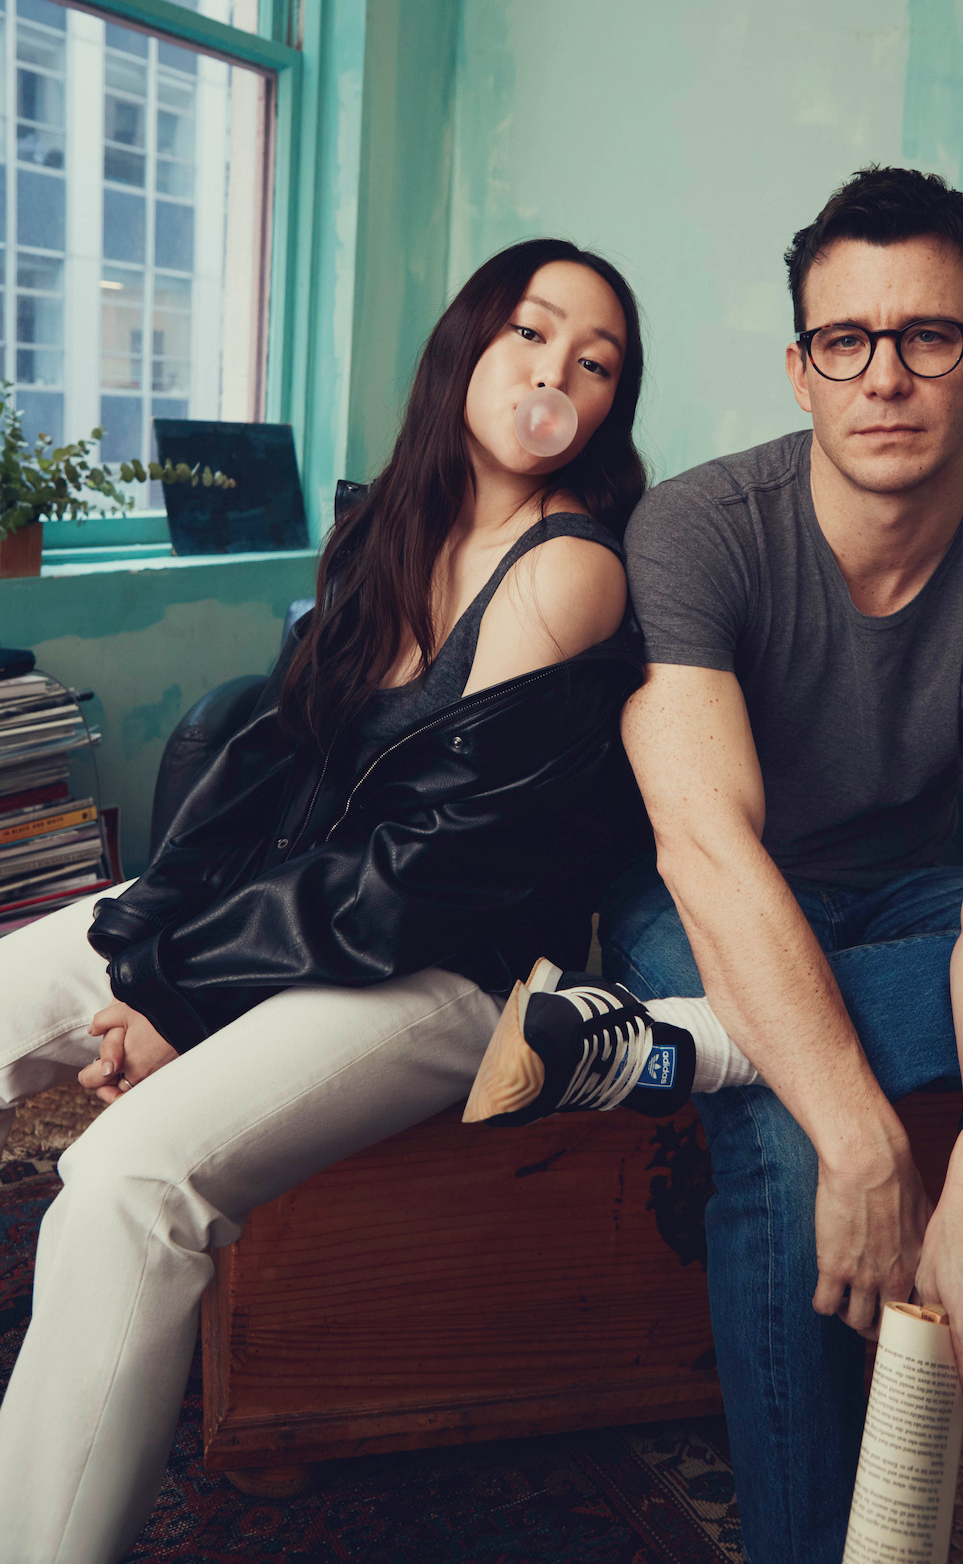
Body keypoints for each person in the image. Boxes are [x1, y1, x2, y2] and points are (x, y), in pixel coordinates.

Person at [464, 170, 963, 1564]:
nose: (886, 377)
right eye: (846, 341)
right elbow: (703, 841)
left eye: (928, 336)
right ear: (800, 370)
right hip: (705, 891)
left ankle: (675, 1046)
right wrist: (865, 1134)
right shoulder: (694, 528)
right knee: (797, 1139)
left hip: (918, 890)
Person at [0, 237, 652, 1564]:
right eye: (534, 333)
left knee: (126, 1174)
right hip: (302, 909)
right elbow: (264, 772)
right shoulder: (384, 528)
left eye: (597, 362)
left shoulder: (567, 571)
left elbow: (425, 877)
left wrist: (182, 999)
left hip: (456, 978)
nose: (557, 376)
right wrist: (144, 950)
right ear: (470, 341)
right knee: (17, 983)